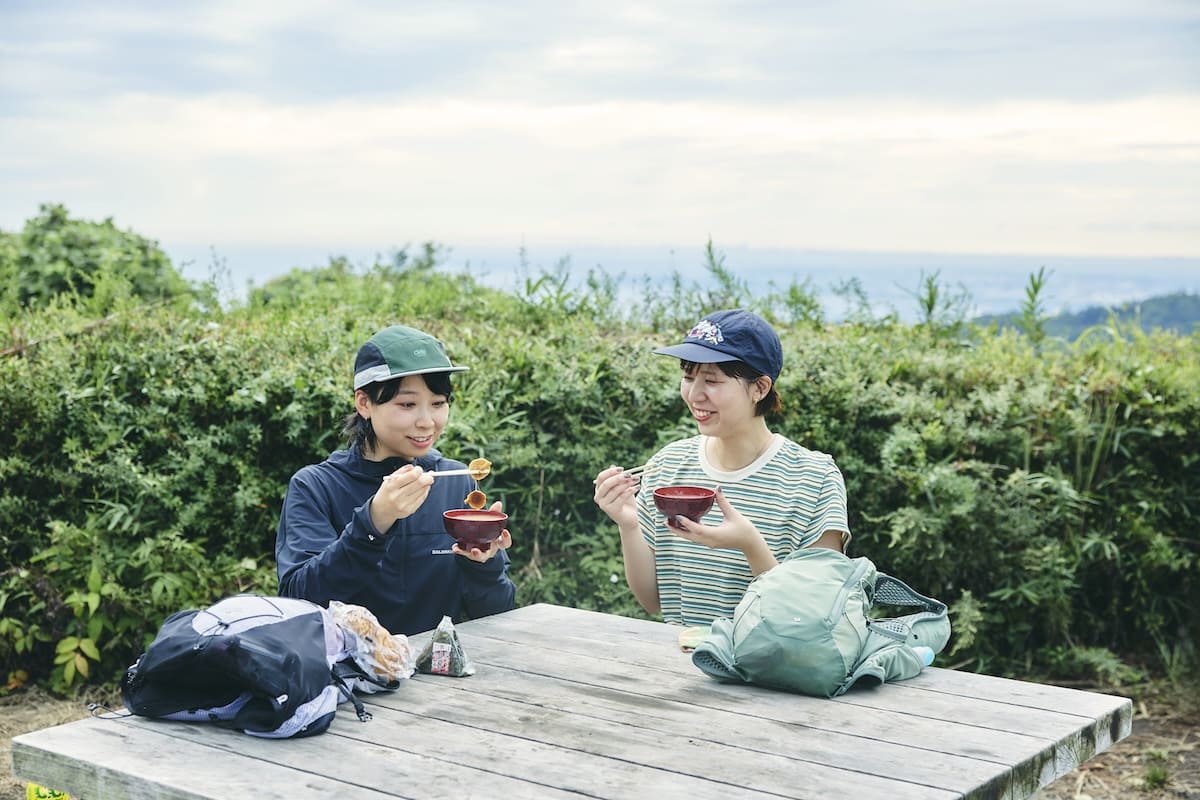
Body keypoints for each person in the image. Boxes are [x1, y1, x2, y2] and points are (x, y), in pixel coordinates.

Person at [593, 308, 850, 626]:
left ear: (760, 388)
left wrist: (750, 545)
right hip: (677, 670)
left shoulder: (813, 479)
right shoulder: (668, 466)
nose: (694, 394)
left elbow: (818, 616)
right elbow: (653, 601)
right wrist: (629, 525)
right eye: (688, 377)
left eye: (712, 380)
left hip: (771, 674)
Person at [276, 324, 515, 636]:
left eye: (438, 403)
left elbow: (498, 611)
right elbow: (300, 600)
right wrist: (374, 521)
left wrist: (484, 565)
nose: (427, 422)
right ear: (364, 403)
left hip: (440, 674)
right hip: (348, 678)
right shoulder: (316, 487)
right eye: (407, 404)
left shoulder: (456, 482)